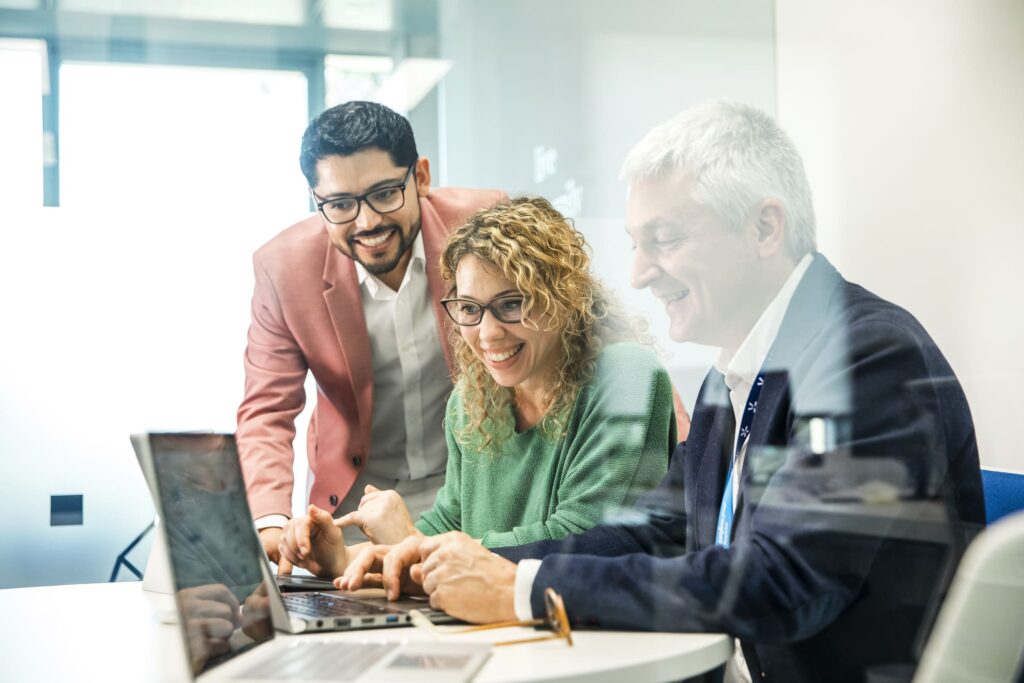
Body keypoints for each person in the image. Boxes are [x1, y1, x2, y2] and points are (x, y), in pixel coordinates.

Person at [341, 102, 986, 683]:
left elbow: (785, 581)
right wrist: (438, 563)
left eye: (665, 241)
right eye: (637, 245)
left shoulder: (864, 357)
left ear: (765, 228)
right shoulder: (729, 381)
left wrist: (524, 588)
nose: (640, 273)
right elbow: (649, 530)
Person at [276, 196, 679, 579]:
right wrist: (345, 558)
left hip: (596, 637)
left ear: (563, 297)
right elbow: (450, 521)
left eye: (511, 304)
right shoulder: (472, 398)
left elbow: (585, 540)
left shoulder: (626, 375)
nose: (487, 334)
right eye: (469, 308)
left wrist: (415, 545)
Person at [236, 100, 505, 566]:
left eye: (384, 194)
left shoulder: (488, 223)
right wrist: (271, 523)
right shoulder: (283, 268)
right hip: (357, 511)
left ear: (420, 177)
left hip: (481, 492)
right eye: (340, 204)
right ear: (316, 200)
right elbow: (266, 411)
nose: (366, 222)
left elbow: (578, 339)